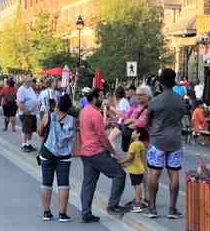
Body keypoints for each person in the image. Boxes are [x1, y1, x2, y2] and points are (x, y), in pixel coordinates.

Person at [79, 87, 127, 223]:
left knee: (88, 183)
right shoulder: (96, 114)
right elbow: (102, 137)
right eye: (101, 97)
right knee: (119, 174)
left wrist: (106, 124)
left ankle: (86, 213)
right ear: (94, 98)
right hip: (97, 152)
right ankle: (112, 206)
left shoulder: (84, 111)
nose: (103, 100)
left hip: (85, 152)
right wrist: (113, 152)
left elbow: (91, 129)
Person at [144, 69, 186, 220]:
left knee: (154, 173)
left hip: (157, 140)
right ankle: (172, 209)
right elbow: (182, 117)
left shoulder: (155, 101)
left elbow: (147, 121)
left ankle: (152, 208)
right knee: (174, 174)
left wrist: (153, 131)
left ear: (161, 83)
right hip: (175, 140)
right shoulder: (180, 100)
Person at [38, 95, 76, 222]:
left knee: (46, 183)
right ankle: (62, 214)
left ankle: (47, 212)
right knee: (63, 184)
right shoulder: (72, 120)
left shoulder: (49, 115)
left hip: (48, 152)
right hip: (64, 155)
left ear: (58, 105)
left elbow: (40, 132)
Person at [119, 127, 148, 213]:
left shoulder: (133, 144)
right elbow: (142, 158)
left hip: (134, 169)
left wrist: (121, 162)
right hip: (140, 168)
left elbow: (130, 158)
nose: (132, 133)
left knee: (136, 186)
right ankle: (140, 200)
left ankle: (137, 204)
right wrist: (144, 168)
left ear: (138, 134)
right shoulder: (141, 144)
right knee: (138, 185)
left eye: (134, 132)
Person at [17, 77, 40, 152]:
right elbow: (19, 102)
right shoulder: (21, 90)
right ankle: (24, 145)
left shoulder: (30, 88)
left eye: (31, 81)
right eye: (30, 81)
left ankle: (28, 144)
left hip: (32, 113)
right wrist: (25, 111)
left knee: (31, 130)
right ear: (25, 82)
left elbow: (33, 99)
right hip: (26, 113)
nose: (31, 83)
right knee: (26, 130)